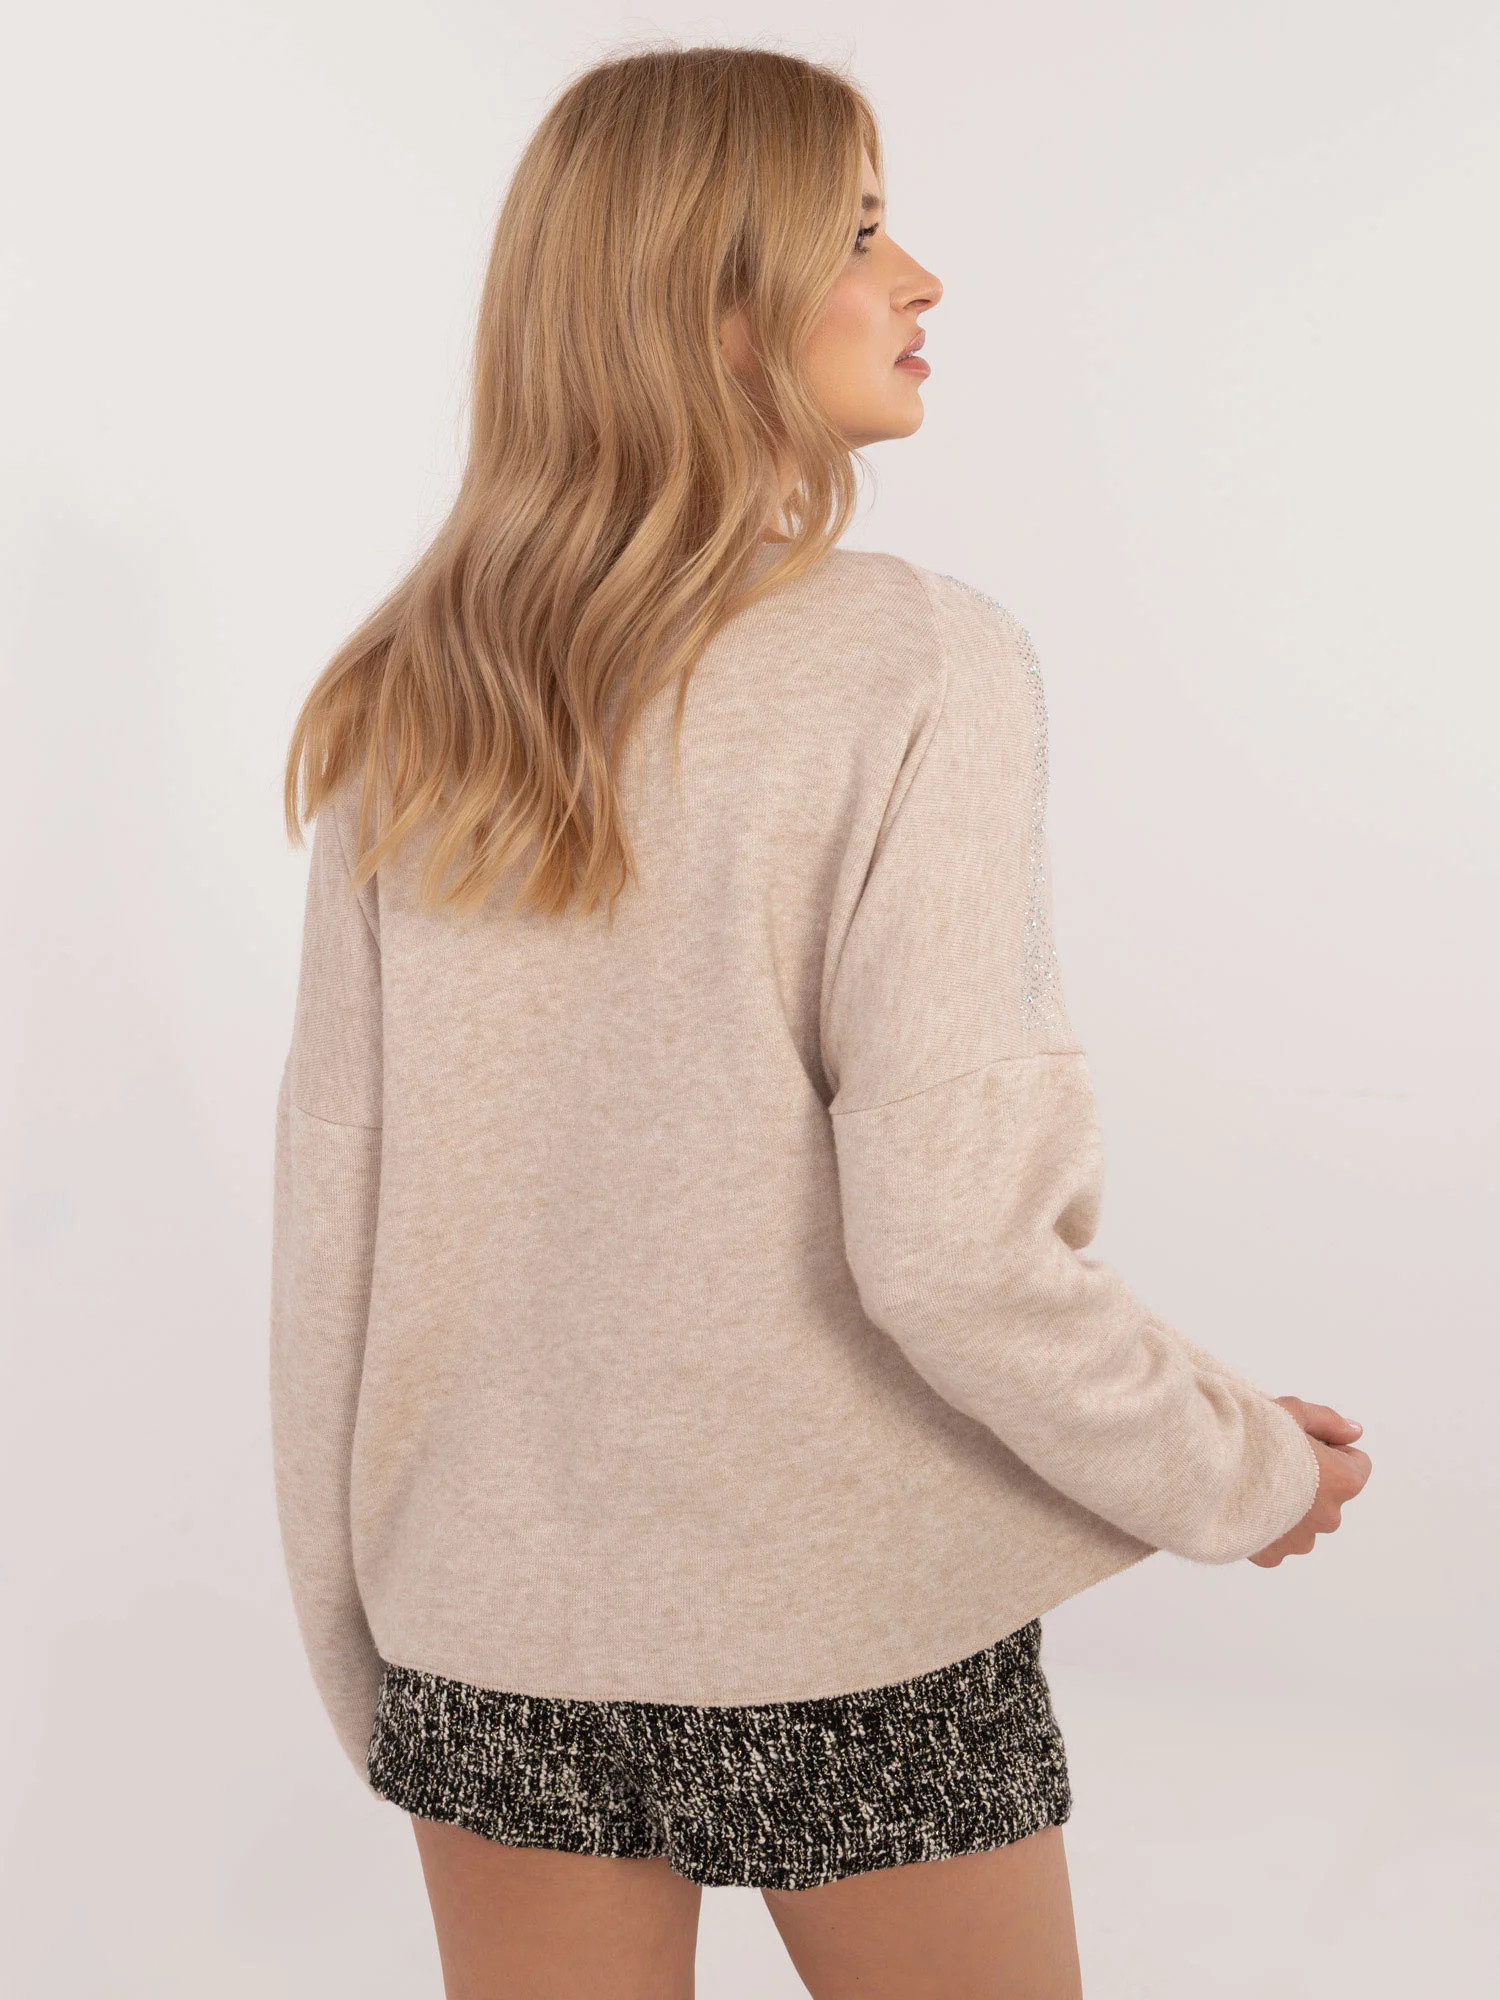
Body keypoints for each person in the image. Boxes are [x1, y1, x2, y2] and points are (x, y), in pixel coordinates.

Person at [269, 43, 1371, 2000]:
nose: (918, 276)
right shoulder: (915, 658)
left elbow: (331, 1234)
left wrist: (386, 1656)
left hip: (491, 1632)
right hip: (837, 1620)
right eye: (857, 232)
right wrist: (1236, 1466)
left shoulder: (412, 699)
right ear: (712, 300)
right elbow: (952, 1247)